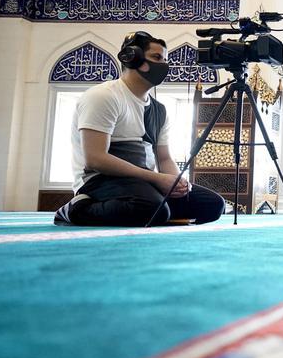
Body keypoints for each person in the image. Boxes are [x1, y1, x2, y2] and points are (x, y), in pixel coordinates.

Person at [54, 31, 225, 226]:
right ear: (132, 58)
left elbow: (164, 158)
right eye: (157, 57)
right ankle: (76, 210)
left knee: (212, 205)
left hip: (143, 182)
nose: (164, 65)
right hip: (101, 180)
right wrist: (157, 179)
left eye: (165, 59)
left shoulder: (159, 110)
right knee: (150, 208)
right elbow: (95, 159)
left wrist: (176, 182)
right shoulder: (104, 96)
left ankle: (156, 213)